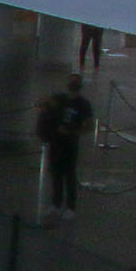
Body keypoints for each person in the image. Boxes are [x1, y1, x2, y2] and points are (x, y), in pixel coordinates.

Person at [41, 75, 93, 215]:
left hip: (70, 143)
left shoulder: (83, 104)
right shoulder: (60, 99)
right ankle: (56, 203)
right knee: (56, 173)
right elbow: (47, 106)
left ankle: (70, 207)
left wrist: (73, 132)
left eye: (75, 81)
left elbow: (89, 126)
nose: (72, 83)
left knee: (69, 175)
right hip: (56, 142)